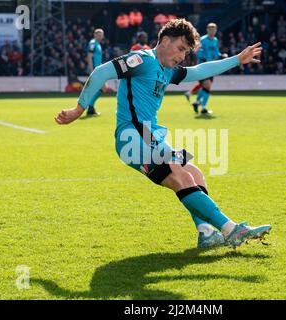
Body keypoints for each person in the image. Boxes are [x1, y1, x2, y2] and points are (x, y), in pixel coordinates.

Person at [55, 19, 271, 249]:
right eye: (180, 49)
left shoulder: (166, 71)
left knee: (193, 173)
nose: (181, 56)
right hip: (132, 135)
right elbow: (102, 71)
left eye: (186, 52)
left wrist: (237, 59)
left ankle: (206, 232)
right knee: (180, 174)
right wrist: (79, 108)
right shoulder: (142, 60)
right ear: (165, 41)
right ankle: (231, 230)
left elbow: (198, 70)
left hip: (150, 136)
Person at [189, 23, 228, 115]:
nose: (212, 31)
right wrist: (203, 58)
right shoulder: (203, 40)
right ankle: (203, 107)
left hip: (211, 67)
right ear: (207, 30)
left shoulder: (215, 40)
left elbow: (216, 52)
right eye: (210, 30)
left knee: (206, 87)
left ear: (216, 31)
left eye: (214, 30)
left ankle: (197, 102)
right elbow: (197, 52)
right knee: (207, 85)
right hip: (202, 67)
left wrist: (221, 55)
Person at [86, 29, 105, 116]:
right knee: (102, 88)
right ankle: (90, 106)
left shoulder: (98, 44)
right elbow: (89, 56)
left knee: (102, 88)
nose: (101, 36)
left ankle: (90, 107)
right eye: (99, 35)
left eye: (101, 35)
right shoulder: (93, 43)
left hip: (99, 69)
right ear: (95, 35)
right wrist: (91, 69)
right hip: (95, 70)